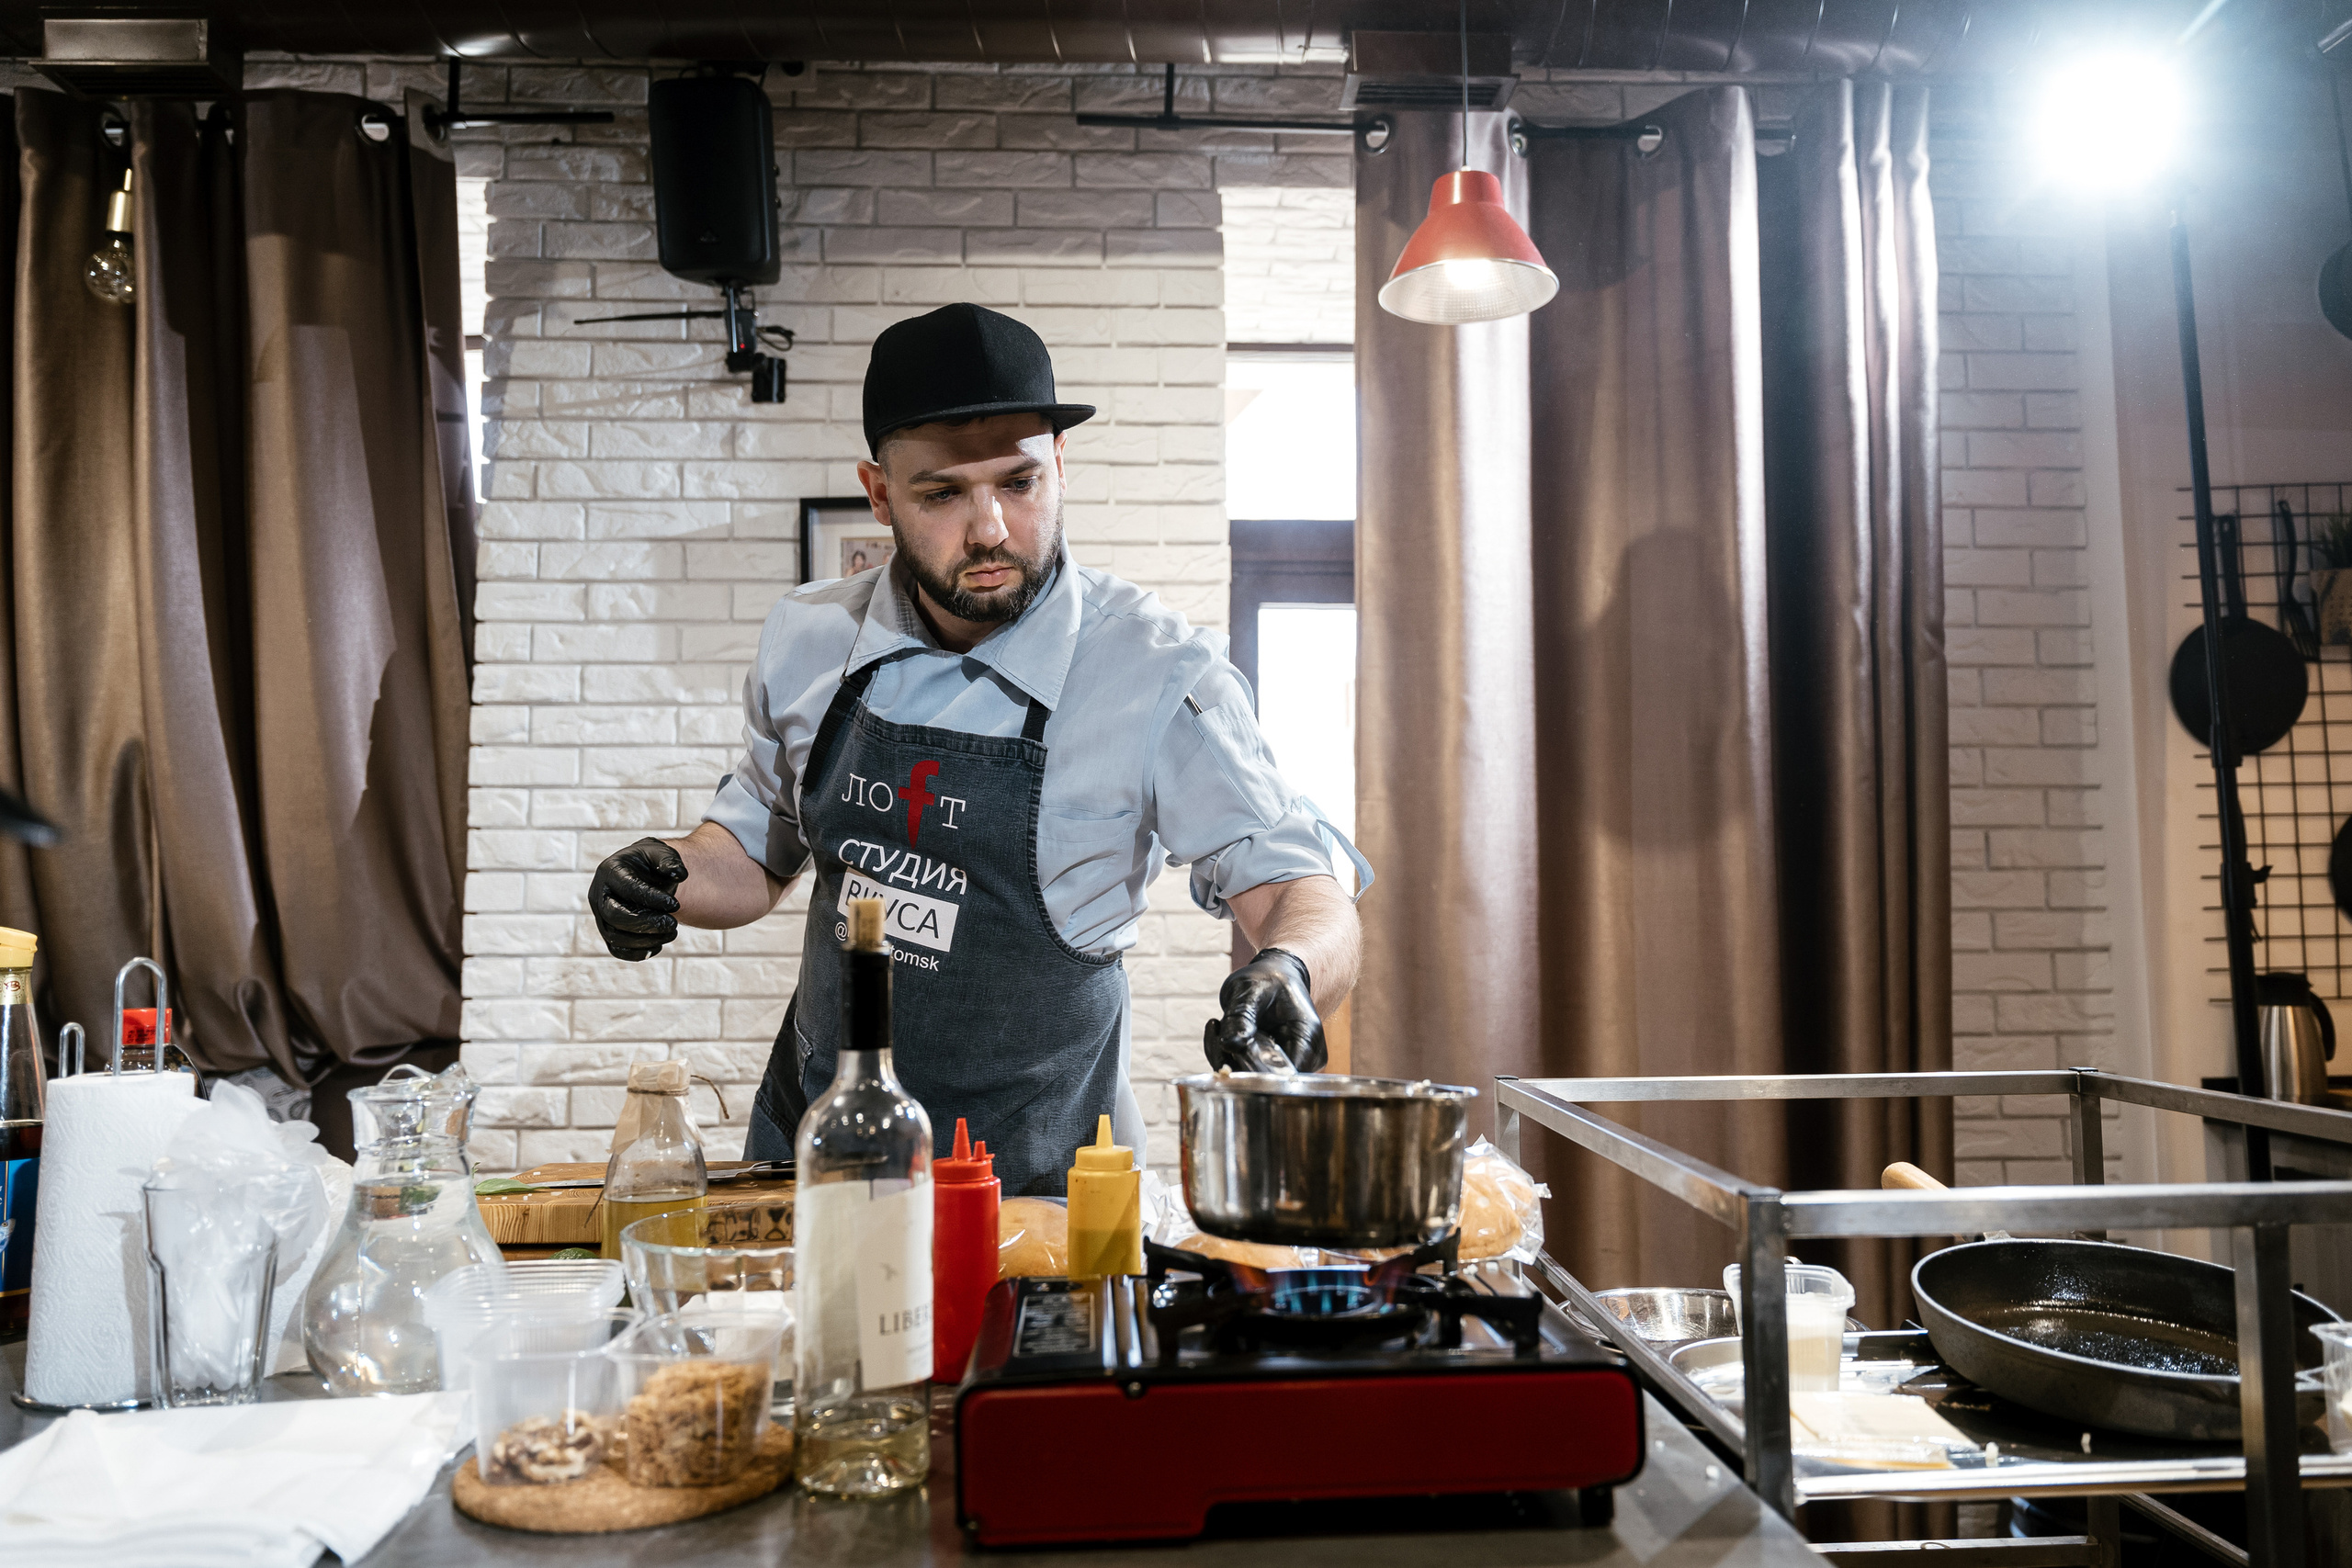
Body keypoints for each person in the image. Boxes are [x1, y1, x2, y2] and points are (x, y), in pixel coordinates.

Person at [587, 303, 1370, 1197]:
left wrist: (1289, 968)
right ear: (879, 494)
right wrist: (667, 878)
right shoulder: (808, 640)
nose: (990, 527)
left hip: (1045, 1190)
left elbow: (1302, 888)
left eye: (1019, 482)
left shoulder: (1156, 675)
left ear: (1061, 466)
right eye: (943, 493)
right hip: (816, 1158)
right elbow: (756, 852)